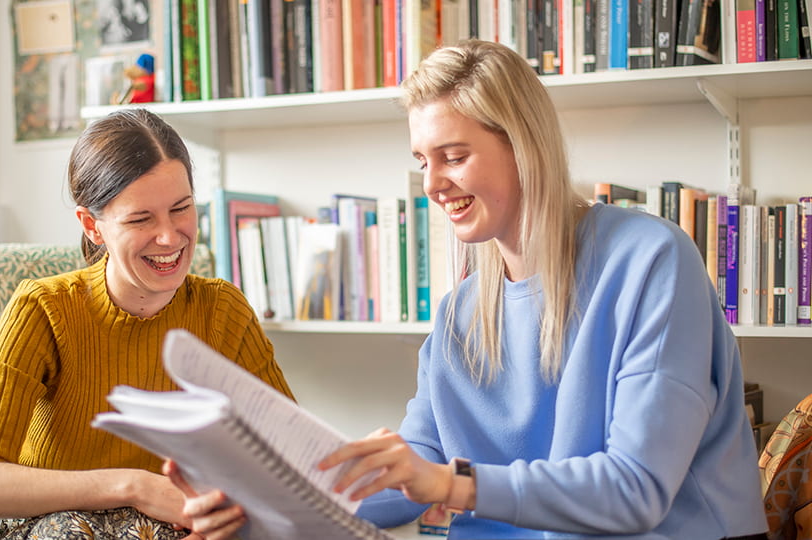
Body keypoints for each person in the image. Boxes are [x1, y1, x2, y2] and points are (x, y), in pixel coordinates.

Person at [171, 39, 769, 539]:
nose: (432, 183)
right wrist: (258, 504)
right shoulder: (461, 311)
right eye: (422, 161)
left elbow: (636, 489)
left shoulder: (650, 261)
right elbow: (412, 469)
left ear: (524, 147)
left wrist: (451, 484)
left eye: (453, 156)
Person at [0, 108, 293, 539]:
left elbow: (288, 459)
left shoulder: (223, 309)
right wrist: (134, 486)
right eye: (140, 219)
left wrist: (226, 513)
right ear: (92, 226)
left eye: (181, 209)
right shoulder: (44, 309)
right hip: (51, 523)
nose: (169, 237)